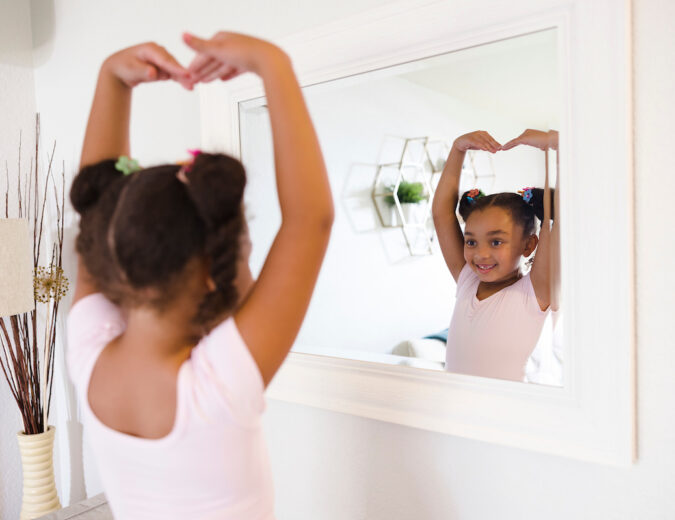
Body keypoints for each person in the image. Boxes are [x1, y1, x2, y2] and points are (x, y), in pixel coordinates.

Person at [66, 31, 333, 519]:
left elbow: (308, 223)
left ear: (114, 255)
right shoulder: (216, 388)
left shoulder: (89, 356)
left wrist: (111, 81)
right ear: (212, 273)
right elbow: (309, 222)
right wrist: (272, 62)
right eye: (247, 254)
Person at [432, 129, 557, 381]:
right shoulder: (468, 280)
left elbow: (564, 213)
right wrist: (458, 149)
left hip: (506, 415)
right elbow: (441, 215)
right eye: (471, 241)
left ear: (529, 245)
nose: (481, 254)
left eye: (496, 241)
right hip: (458, 413)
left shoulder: (535, 292)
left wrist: (555, 146)